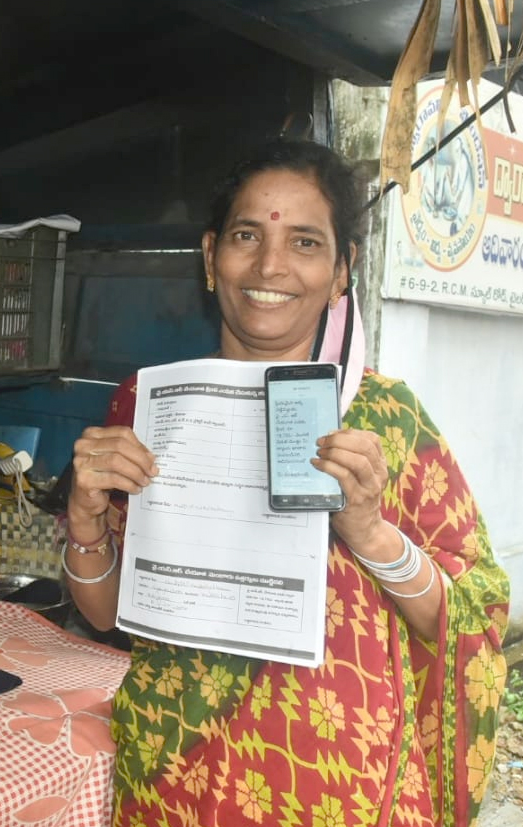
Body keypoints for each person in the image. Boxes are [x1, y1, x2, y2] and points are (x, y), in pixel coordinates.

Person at [64, 139, 509, 826]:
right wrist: (87, 520)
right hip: (174, 776)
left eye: (305, 242)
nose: (270, 266)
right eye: (248, 235)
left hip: (340, 790)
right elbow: (108, 613)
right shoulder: (149, 404)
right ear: (211, 258)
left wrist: (370, 534)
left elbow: (475, 617)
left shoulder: (386, 419)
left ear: (341, 272)